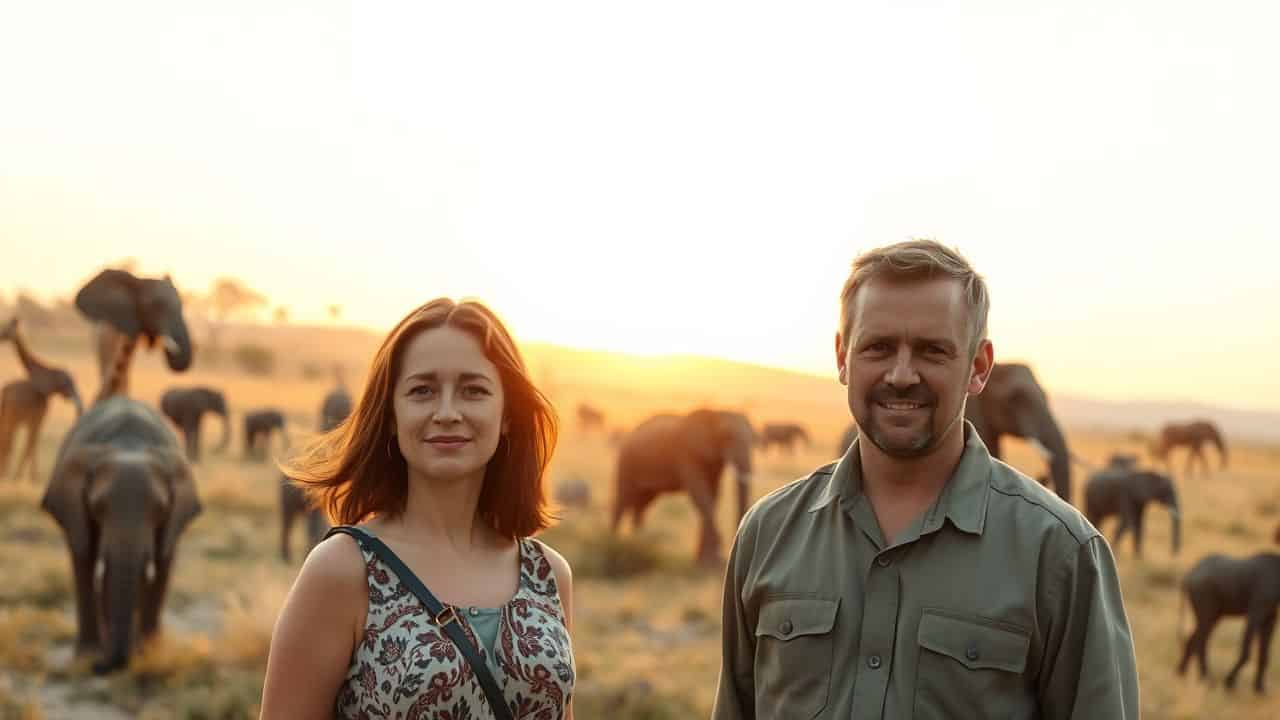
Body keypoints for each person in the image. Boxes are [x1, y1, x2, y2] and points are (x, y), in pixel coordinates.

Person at [712, 240, 1138, 719]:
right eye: (877, 347)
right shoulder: (768, 534)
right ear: (841, 357)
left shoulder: (1060, 554)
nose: (900, 374)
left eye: (932, 351)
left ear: (978, 367)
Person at [260, 298, 575, 720]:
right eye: (422, 390)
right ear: (392, 414)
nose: (447, 413)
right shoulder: (343, 572)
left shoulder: (547, 575)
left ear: (507, 416)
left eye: (474, 391)